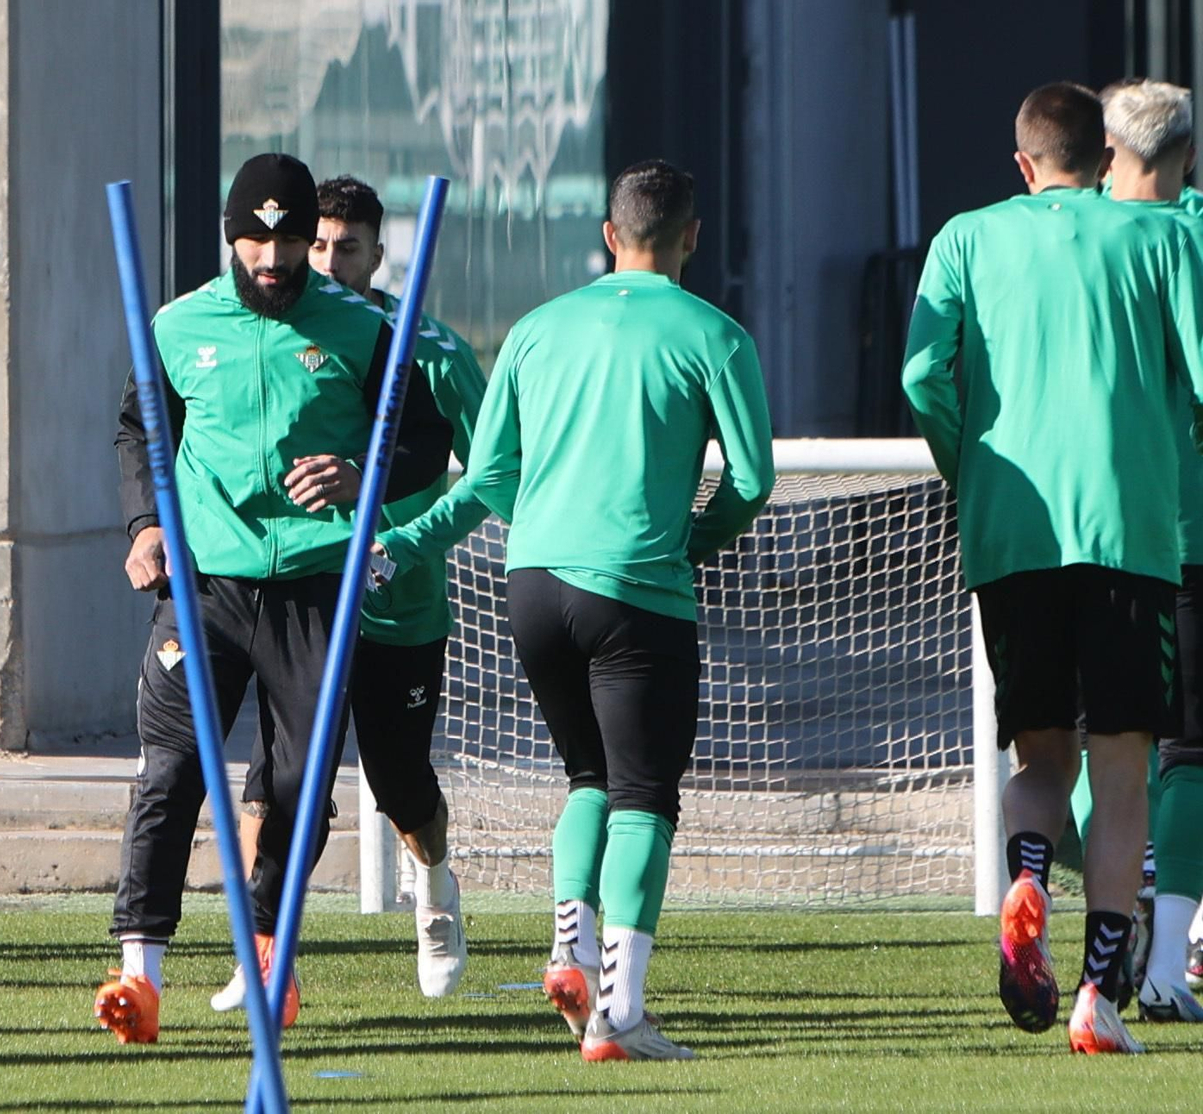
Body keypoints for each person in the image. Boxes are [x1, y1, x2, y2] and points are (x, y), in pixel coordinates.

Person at [93, 153, 452, 1044]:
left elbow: (424, 438)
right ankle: (140, 975)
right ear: (231, 239)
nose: (274, 260)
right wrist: (145, 524)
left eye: (290, 243)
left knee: (296, 783)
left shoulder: (362, 328)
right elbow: (140, 429)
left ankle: (265, 949)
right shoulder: (178, 325)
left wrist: (362, 471)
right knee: (172, 769)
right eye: (257, 242)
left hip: (315, 587)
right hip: (205, 584)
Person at [902, 82, 1203, 1054]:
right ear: (1104, 158)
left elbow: (920, 373)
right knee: (1123, 772)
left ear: (1024, 164)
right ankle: (1096, 996)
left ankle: (1027, 874)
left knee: (1039, 759)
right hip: (1128, 533)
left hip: (1012, 534)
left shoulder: (966, 237)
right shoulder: (1157, 237)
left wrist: (968, 465)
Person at [462, 160, 774, 1060]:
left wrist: (544, 531)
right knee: (643, 794)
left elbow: (487, 471)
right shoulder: (714, 334)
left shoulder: (535, 328)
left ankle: (569, 943)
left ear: (609, 235)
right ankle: (622, 1014)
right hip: (636, 586)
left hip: (532, 583)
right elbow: (752, 479)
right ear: (692, 237)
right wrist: (694, 541)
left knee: (587, 777)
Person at [215, 175, 480, 1008]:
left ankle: (434, 891)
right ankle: (264, 952)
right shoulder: (277, 332)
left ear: (379, 253)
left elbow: (496, 472)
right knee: (276, 781)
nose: (328, 263)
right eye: (318, 245)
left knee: (399, 782)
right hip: (300, 594)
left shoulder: (429, 351)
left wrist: (404, 542)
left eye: (347, 248)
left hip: (398, 606)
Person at [1095, 77, 1203, 1024]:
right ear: (1189, 157)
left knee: (1092, 741)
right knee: (1189, 752)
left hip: (1084, 530)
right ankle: (1170, 960)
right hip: (1185, 531)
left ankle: (1117, 901)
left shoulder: (1058, 237)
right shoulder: (1186, 237)